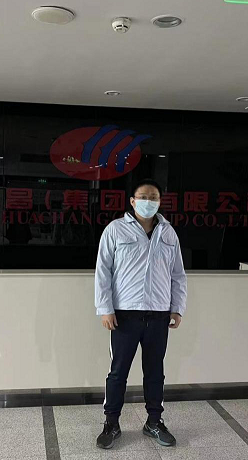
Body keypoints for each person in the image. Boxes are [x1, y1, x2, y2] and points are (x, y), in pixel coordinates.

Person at [94, 179, 187, 449]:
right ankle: (111, 423)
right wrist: (105, 309)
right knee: (118, 372)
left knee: (155, 372)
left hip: (158, 314)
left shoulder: (168, 233)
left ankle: (154, 422)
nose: (149, 201)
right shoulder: (115, 229)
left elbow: (178, 274)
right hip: (125, 315)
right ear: (133, 201)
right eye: (143, 197)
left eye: (153, 197)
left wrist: (177, 308)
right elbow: (103, 271)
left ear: (159, 201)